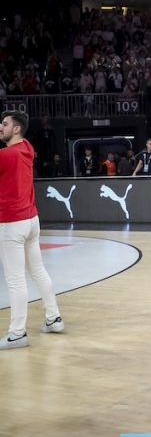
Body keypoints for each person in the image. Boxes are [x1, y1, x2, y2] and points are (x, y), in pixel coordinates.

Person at [0, 110, 64, 349]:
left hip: (11, 223)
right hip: (31, 220)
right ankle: (53, 318)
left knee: (15, 280)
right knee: (38, 271)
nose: (0, 127)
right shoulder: (27, 147)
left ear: (17, 129)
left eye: (4, 124)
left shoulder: (6, 156)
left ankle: (17, 334)